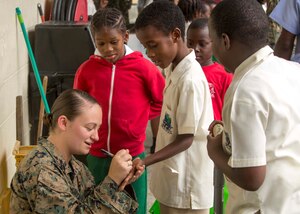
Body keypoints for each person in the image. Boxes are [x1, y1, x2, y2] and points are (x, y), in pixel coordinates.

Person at [206, 0, 300, 213]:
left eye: (211, 41)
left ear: (225, 41)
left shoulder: (244, 90)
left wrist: (215, 151)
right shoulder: (293, 70)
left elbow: (251, 178)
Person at [73, 8, 165, 214]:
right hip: (95, 153)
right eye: (101, 43)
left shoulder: (144, 68)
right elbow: (77, 106)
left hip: (132, 155)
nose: (108, 49)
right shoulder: (86, 70)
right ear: (94, 40)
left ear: (125, 37)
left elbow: (161, 100)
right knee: (96, 205)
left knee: (135, 207)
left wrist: (137, 122)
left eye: (113, 42)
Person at [134, 1, 214, 213]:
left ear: (176, 35)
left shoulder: (190, 80)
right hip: (173, 176)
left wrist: (146, 160)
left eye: (153, 45)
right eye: (145, 47)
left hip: (187, 185)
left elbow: (186, 139)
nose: (149, 53)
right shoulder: (172, 67)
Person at [10, 89, 139, 213]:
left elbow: (93, 204)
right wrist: (113, 180)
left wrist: (121, 181)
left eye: (97, 129)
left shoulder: (75, 166)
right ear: (64, 123)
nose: (96, 137)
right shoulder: (40, 169)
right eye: (89, 128)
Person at [187, 18, 232, 120]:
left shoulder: (224, 76)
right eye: (190, 43)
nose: (195, 48)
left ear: (214, 44)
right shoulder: (183, 70)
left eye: (202, 44)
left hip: (213, 133)